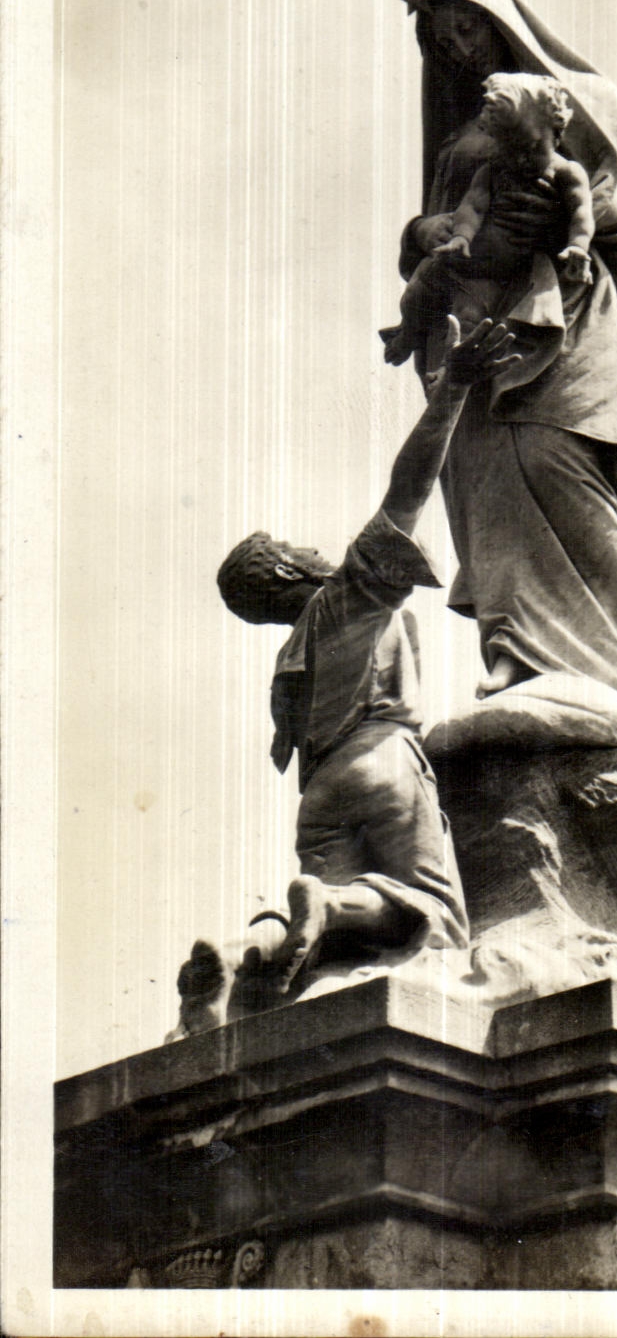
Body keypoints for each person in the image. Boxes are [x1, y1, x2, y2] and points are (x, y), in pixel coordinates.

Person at [395, 0, 617, 726]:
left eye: (467, 28)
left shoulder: (588, 101)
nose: (458, 49)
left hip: (570, 313)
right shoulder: (461, 137)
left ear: (500, 22)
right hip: (476, 327)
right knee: (494, 490)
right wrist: (429, 236)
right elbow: (431, 228)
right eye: (441, 40)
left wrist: (560, 214)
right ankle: (518, 663)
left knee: (566, 467)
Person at [171, 319, 519, 1035]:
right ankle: (320, 905)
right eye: (298, 548)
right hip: (382, 762)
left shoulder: (288, 663)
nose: (313, 547)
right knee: (437, 916)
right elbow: (408, 488)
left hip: (320, 793)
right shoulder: (345, 599)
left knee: (336, 944)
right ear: (292, 572)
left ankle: (243, 950)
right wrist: (452, 388)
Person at [380, 72, 594, 369]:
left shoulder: (566, 173)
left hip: (493, 276)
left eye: (532, 148)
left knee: (467, 320)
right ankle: (409, 329)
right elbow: (473, 207)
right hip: (462, 258)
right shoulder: (493, 171)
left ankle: (445, 375)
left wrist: (578, 247)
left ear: (557, 129)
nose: (521, 160)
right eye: (510, 149)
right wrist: (461, 238)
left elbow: (581, 214)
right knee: (418, 288)